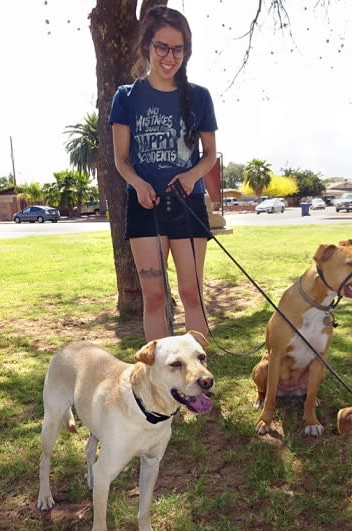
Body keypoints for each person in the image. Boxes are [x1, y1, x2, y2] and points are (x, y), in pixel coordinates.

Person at [110, 6, 218, 342]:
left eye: (178, 48)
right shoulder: (126, 97)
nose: (170, 57)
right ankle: (157, 384)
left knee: (192, 295)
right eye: (162, 47)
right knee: (155, 298)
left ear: (186, 51)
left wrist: (190, 176)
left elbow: (210, 154)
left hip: (188, 206)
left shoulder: (200, 97)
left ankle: (198, 381)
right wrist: (138, 184)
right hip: (145, 208)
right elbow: (121, 159)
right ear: (147, 47)